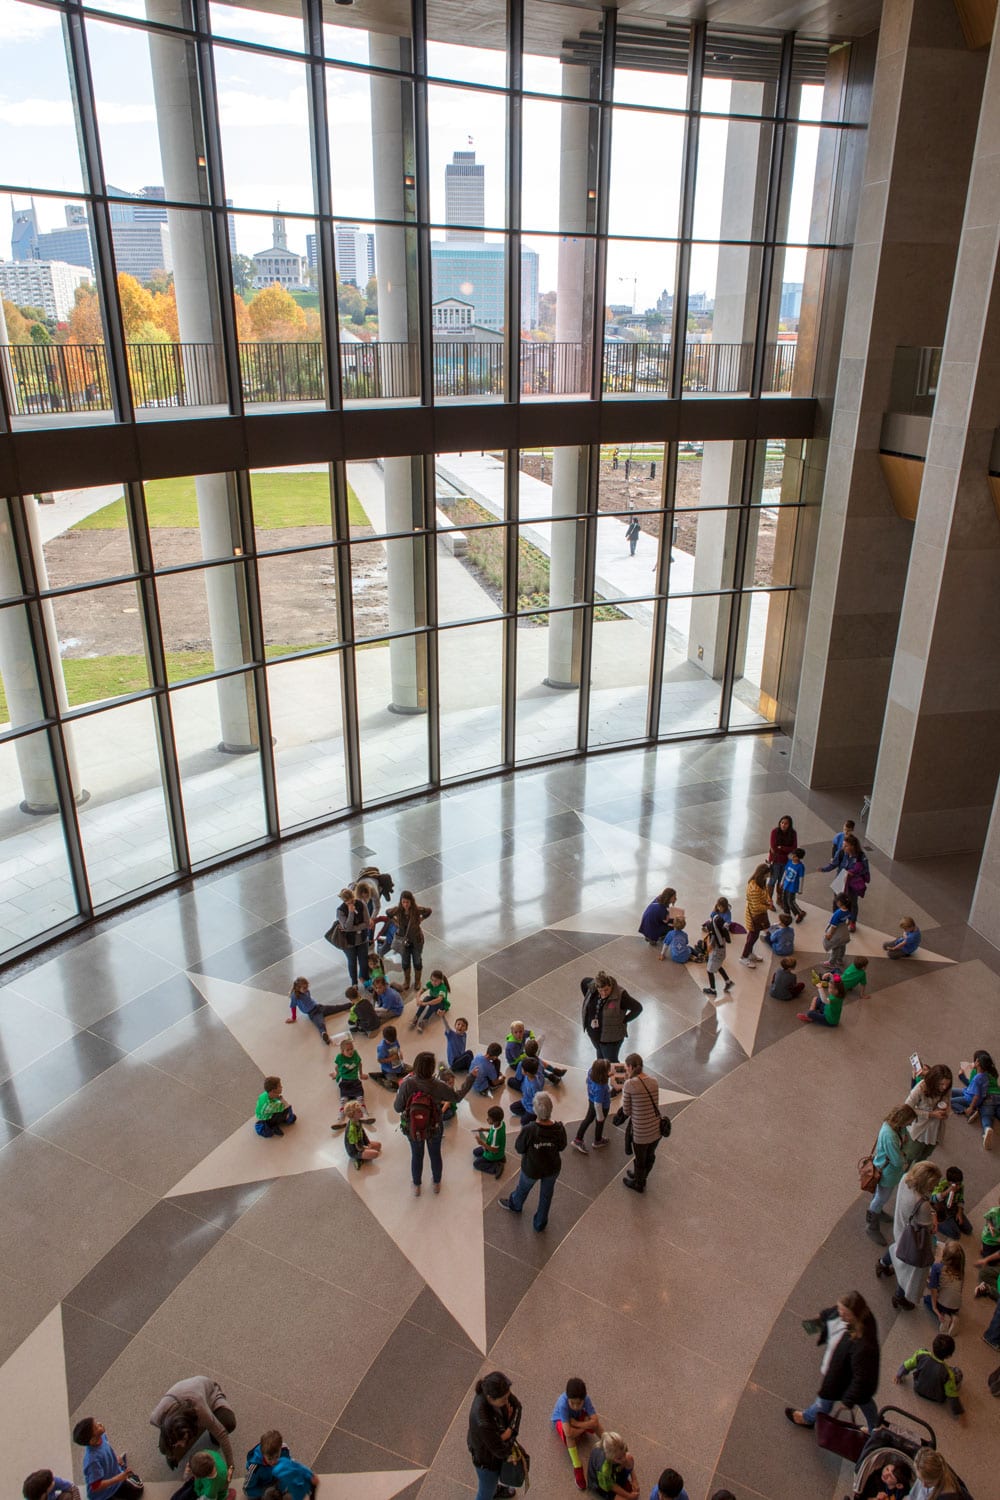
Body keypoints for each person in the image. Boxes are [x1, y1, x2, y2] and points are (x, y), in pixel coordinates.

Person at [784, 1290, 880, 1432]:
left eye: (845, 1313)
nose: (841, 1314)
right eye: (840, 1309)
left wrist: (848, 1400)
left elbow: (862, 1378)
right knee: (865, 1401)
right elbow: (832, 1313)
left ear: (855, 1314)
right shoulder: (860, 1318)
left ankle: (808, 1418)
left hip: (844, 1376)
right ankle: (875, 1429)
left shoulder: (864, 1345)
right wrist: (816, 1323)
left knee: (826, 1398)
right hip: (847, 1372)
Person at [393, 1050, 467, 1195]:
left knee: (416, 1155)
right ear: (432, 1068)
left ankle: (417, 1186)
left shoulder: (407, 1084)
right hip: (434, 1126)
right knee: (435, 1154)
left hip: (413, 1128)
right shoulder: (439, 1085)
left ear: (416, 1066)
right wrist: (471, 1078)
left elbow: (397, 1108)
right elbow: (457, 1097)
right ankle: (436, 1183)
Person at [876, 1160, 940, 1310]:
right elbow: (929, 1228)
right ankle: (900, 1296)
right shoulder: (922, 1204)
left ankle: (882, 1264)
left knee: (897, 1248)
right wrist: (934, 1217)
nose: (935, 1187)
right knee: (911, 1271)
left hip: (900, 1227)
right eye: (933, 1184)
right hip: (912, 1238)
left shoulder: (905, 1178)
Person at [499, 1091, 567, 1230]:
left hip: (531, 1168)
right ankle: (540, 1223)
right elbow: (562, 1146)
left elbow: (519, 1148)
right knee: (546, 1196)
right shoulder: (559, 1128)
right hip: (552, 1168)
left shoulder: (529, 1129)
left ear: (535, 1110)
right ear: (551, 1109)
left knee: (523, 1189)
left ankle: (516, 1205)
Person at [149, 1377, 236, 1470]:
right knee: (164, 1448)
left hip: (210, 1395)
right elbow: (165, 1438)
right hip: (190, 1402)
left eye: (183, 1440)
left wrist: (230, 1466)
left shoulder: (199, 1409)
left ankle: (211, 1434)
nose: (182, 1446)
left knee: (227, 1422)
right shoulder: (156, 1418)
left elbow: (222, 1434)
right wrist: (170, 1454)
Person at [865, 1104, 917, 1242]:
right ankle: (872, 1225)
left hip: (887, 1169)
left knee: (880, 1195)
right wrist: (904, 1156)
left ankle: (877, 1211)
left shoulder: (896, 1127)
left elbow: (905, 1137)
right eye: (909, 1121)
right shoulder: (890, 1136)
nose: (910, 1124)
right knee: (881, 1197)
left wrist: (902, 1152)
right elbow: (897, 1160)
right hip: (888, 1173)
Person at [467, 1371, 521, 1500]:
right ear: (491, 1398)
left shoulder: (497, 1393)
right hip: (486, 1460)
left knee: (489, 1484)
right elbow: (499, 1449)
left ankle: (494, 1489)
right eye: (503, 1400)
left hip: (488, 1449)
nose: (507, 1400)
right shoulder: (482, 1420)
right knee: (485, 1492)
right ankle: (491, 1491)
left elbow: (518, 1407)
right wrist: (509, 1434)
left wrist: (509, 1431)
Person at [621, 1053, 663, 1195]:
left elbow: (626, 1111)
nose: (626, 1071)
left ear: (631, 1067)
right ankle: (642, 1176)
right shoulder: (654, 1081)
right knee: (650, 1156)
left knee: (640, 1159)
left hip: (641, 1132)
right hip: (656, 1129)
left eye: (627, 1068)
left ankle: (638, 1183)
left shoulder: (630, 1084)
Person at [894, 1334, 964, 1417]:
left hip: (918, 1388)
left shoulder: (921, 1356)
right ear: (949, 1356)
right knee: (958, 1372)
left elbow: (907, 1365)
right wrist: (957, 1410)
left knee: (921, 1350)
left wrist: (899, 1375)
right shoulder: (948, 1373)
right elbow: (951, 1394)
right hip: (938, 1397)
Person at [580, 972, 642, 1062]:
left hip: (611, 1040)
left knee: (611, 1063)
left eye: (606, 990)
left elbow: (638, 1008)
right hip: (595, 1036)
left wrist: (624, 1020)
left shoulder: (621, 996)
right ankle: (602, 1075)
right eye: (600, 990)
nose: (604, 993)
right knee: (600, 1060)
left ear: (611, 986)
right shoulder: (592, 988)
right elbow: (584, 982)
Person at [71, 1423, 143, 1500]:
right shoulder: (92, 1461)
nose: (100, 1424)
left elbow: (108, 1449)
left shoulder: (102, 1436)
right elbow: (96, 1486)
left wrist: (116, 1459)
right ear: (92, 1440)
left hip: (113, 1475)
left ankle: (122, 1469)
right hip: (102, 1494)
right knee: (136, 1491)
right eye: (96, 1427)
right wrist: (119, 1478)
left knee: (138, 1488)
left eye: (96, 1422)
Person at [384, 890, 431, 992]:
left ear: (411, 902)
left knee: (417, 961)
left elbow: (428, 911)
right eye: (403, 902)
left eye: (407, 902)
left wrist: (420, 919)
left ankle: (417, 981)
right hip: (403, 942)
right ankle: (407, 981)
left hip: (416, 940)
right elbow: (388, 912)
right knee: (405, 962)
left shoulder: (416, 910)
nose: (405, 904)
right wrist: (395, 922)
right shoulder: (398, 910)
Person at [952, 1049, 998, 1149]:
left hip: (974, 1098)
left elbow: (974, 1092)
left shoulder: (977, 1076)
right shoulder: (989, 1074)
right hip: (989, 1095)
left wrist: (971, 1107)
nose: (974, 1062)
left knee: (952, 1102)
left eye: (976, 1060)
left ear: (978, 1063)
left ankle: (983, 1125)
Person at [905, 1065, 952, 1163]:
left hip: (935, 1130)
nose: (944, 1087)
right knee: (911, 1154)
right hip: (920, 1129)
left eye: (947, 1084)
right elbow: (907, 1107)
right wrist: (931, 1114)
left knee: (924, 1156)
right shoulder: (920, 1089)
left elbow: (948, 1102)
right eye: (942, 1084)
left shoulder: (946, 1089)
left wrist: (947, 1111)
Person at [285, 977, 347, 1045]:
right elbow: (293, 1006)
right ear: (298, 988)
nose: (306, 989)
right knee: (320, 1024)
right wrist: (293, 1018)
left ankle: (350, 1004)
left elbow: (309, 1000)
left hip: (318, 1007)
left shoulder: (306, 991)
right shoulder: (294, 996)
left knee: (335, 1008)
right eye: (304, 988)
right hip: (313, 1013)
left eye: (307, 987)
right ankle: (324, 1035)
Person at [253, 1434, 316, 1500]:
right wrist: (263, 1491)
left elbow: (294, 1466)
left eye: (277, 1456)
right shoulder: (255, 1467)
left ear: (280, 1449)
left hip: (280, 1483)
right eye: (270, 1459)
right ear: (262, 1454)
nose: (274, 1462)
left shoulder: (284, 1451)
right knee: (268, 1494)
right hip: (266, 1486)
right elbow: (248, 1489)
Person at [333, 887, 371, 988]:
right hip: (348, 942)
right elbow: (347, 927)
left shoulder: (361, 904)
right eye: (348, 903)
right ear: (344, 901)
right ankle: (354, 983)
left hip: (362, 939)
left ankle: (366, 980)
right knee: (352, 962)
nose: (351, 904)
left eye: (352, 901)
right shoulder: (340, 911)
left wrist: (352, 928)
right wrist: (350, 913)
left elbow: (367, 923)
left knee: (364, 962)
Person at [923, 1241, 965, 1333]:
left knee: (926, 1299)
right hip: (956, 1306)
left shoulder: (936, 1267)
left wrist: (935, 1309)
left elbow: (933, 1290)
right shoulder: (961, 1271)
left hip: (942, 1305)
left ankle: (945, 1316)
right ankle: (954, 1316)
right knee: (949, 1300)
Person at [573, 1058, 612, 1153]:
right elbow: (598, 1104)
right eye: (607, 1070)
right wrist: (600, 1117)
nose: (609, 1071)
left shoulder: (591, 1072)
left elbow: (588, 1081)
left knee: (588, 1119)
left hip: (591, 1099)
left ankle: (578, 1139)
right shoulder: (600, 1088)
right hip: (602, 1106)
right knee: (600, 1123)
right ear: (602, 1073)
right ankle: (598, 1141)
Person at [739, 864, 774, 967]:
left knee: (754, 936)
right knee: (752, 937)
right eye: (768, 873)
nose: (769, 875)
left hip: (759, 914)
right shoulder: (754, 888)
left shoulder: (761, 882)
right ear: (763, 874)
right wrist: (768, 907)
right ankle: (744, 957)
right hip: (754, 916)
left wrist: (769, 899)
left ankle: (749, 953)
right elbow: (756, 907)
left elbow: (766, 891)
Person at [586, 1432, 638, 1498]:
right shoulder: (604, 1468)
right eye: (619, 1458)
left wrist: (634, 1480)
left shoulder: (620, 1447)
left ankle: (621, 1482)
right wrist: (628, 1496)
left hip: (613, 1470)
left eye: (624, 1454)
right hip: (602, 1484)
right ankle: (620, 1486)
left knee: (629, 1457)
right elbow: (611, 1486)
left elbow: (625, 1458)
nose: (624, 1459)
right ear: (610, 1457)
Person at [551, 1377, 602, 1444]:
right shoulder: (562, 1404)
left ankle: (607, 1442)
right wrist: (585, 1427)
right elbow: (568, 1433)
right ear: (567, 1398)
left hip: (575, 1418)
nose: (575, 1407)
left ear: (583, 1399)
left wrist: (577, 1424)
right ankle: (574, 1455)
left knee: (596, 1424)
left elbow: (595, 1422)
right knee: (569, 1437)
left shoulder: (586, 1399)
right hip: (561, 1420)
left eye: (579, 1403)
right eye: (572, 1403)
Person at [329, 1036, 368, 1123]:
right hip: (345, 1081)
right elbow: (337, 1067)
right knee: (344, 1100)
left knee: (360, 1098)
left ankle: (365, 1115)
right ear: (342, 1051)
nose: (351, 1051)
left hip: (355, 1081)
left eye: (352, 1049)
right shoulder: (340, 1057)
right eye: (348, 1050)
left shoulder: (355, 1054)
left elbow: (359, 1064)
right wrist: (336, 1074)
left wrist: (361, 1074)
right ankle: (340, 1119)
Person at [931, 1167, 972, 1239]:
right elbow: (933, 1199)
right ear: (949, 1182)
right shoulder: (941, 1185)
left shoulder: (960, 1186)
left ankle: (952, 1221)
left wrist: (959, 1212)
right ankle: (937, 1222)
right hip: (942, 1211)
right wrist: (947, 1191)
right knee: (956, 1235)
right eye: (956, 1184)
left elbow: (960, 1199)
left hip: (953, 1208)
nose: (958, 1186)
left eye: (960, 1184)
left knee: (968, 1229)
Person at [701, 913, 734, 999]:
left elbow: (710, 946)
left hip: (716, 954)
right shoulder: (721, 932)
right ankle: (728, 981)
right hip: (721, 953)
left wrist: (707, 947)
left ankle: (712, 989)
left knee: (709, 970)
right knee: (718, 966)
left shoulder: (714, 935)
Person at [341, 1099, 381, 1168]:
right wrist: (366, 1148)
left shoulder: (358, 1121)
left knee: (379, 1145)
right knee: (376, 1154)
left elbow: (363, 1133)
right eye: (359, 1111)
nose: (361, 1112)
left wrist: (368, 1143)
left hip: (361, 1143)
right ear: (353, 1115)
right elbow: (358, 1147)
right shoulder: (352, 1129)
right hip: (355, 1150)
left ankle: (364, 1156)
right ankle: (358, 1159)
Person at [767, 813, 797, 896]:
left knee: (782, 880)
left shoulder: (793, 833)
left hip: (786, 861)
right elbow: (773, 847)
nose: (783, 825)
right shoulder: (775, 832)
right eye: (782, 823)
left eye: (786, 823)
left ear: (789, 824)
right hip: (775, 860)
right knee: (773, 879)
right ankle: (769, 900)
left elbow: (794, 848)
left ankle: (779, 898)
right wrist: (786, 850)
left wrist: (782, 848)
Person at [473, 1104, 507, 1176]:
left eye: (489, 1118)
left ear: (496, 1121)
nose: (487, 1119)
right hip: (493, 1147)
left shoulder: (496, 1135)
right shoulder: (501, 1123)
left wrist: (482, 1143)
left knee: (476, 1164)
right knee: (475, 1152)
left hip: (494, 1154)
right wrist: (484, 1129)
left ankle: (496, 1167)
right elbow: (492, 1129)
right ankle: (501, 1158)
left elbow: (495, 1150)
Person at [372, 1024, 409, 1088]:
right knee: (394, 1086)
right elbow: (379, 1060)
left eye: (393, 1041)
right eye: (390, 1042)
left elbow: (398, 1048)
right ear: (384, 1038)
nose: (392, 1043)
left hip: (398, 1064)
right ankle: (381, 1078)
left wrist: (400, 1053)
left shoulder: (394, 1040)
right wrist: (391, 1059)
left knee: (413, 1070)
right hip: (388, 1069)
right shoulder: (382, 1047)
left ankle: (399, 1071)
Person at [823, 895, 852, 971]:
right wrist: (846, 925)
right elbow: (849, 920)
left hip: (837, 931)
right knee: (843, 945)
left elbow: (833, 926)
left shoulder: (838, 913)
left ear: (839, 902)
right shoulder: (849, 909)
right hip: (843, 931)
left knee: (835, 947)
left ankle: (831, 963)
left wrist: (830, 934)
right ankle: (840, 959)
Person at [509, 1056, 542, 1122]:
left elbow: (538, 1101)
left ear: (527, 1072)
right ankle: (527, 1115)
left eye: (522, 1069)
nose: (521, 1070)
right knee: (512, 1107)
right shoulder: (527, 1076)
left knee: (523, 1122)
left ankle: (532, 1116)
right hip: (525, 1101)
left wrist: (533, 1111)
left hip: (532, 1108)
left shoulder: (535, 1086)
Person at [778, 848, 807, 922]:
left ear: (799, 858)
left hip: (793, 887)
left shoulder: (800, 867)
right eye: (793, 856)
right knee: (784, 899)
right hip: (786, 885)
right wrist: (782, 882)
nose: (793, 858)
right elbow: (785, 872)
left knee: (791, 901)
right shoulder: (789, 862)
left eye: (795, 857)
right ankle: (787, 914)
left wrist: (800, 889)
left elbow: (801, 878)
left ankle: (799, 913)